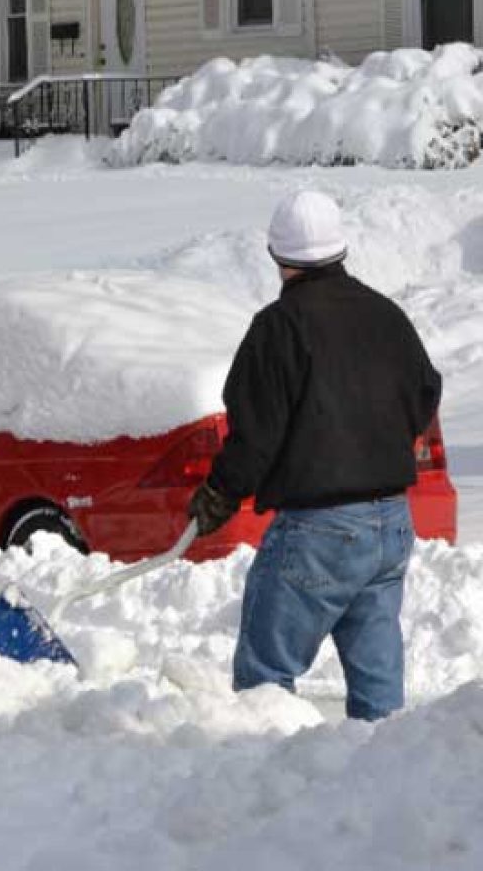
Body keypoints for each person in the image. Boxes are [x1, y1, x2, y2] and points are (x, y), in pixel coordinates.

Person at [188, 190, 442, 721]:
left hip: (319, 534)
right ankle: (379, 784)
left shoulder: (278, 328)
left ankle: (266, 794)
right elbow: (425, 392)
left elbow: (254, 432)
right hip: (391, 526)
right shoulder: (386, 315)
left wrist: (219, 493)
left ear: (278, 257)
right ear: (341, 249)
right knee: (381, 703)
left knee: (265, 683)